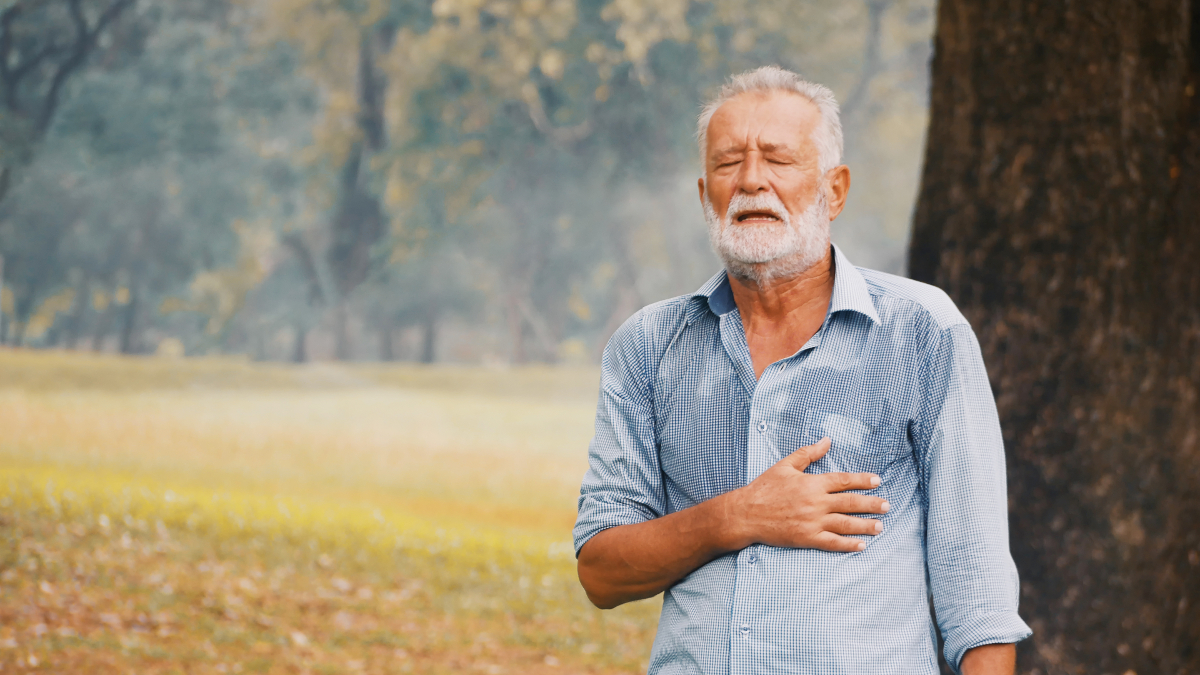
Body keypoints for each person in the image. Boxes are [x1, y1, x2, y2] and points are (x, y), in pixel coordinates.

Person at [572, 66, 1032, 675]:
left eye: (779, 160)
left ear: (834, 190)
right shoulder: (647, 346)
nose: (751, 181)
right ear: (704, 192)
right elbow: (601, 572)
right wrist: (739, 515)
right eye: (729, 162)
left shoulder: (921, 330)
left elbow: (977, 594)